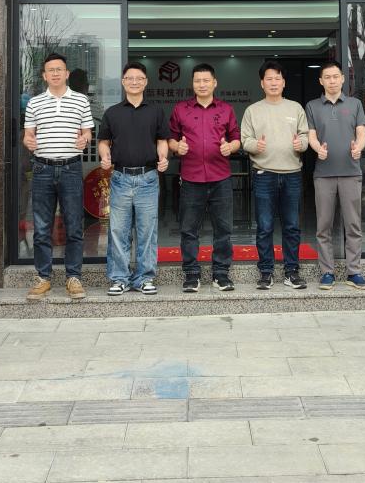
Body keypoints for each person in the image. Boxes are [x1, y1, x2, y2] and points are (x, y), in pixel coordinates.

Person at [22, 52, 94, 301]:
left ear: (67, 74)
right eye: (50, 70)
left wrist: (85, 139)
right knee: (42, 228)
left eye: (59, 69)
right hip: (42, 169)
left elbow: (87, 132)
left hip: (71, 169)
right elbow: (28, 135)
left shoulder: (81, 101)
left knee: (74, 226)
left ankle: (73, 277)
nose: (55, 73)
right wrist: (28, 141)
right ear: (44, 75)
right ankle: (43, 278)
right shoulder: (34, 103)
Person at [98, 62, 169, 297]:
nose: (134, 82)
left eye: (139, 78)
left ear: (146, 82)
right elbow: (103, 141)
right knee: (118, 231)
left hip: (148, 178)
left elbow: (162, 140)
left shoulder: (156, 111)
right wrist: (104, 156)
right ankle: (119, 278)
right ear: (123, 81)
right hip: (120, 178)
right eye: (130, 78)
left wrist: (163, 157)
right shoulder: (112, 112)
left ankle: (145, 278)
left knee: (147, 231)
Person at [169, 63, 241, 293]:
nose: (202, 84)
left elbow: (236, 138)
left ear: (214, 83)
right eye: (197, 81)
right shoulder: (181, 109)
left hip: (221, 178)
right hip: (191, 178)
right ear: (192, 84)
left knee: (224, 229)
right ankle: (191, 274)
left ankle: (221, 274)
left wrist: (230, 147)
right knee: (189, 229)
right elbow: (170, 138)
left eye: (206, 80)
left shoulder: (226, 109)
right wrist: (176, 147)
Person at [241, 61, 309, 290]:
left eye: (277, 78)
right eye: (269, 79)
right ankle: (266, 272)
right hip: (264, 174)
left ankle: (292, 272)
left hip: (292, 174)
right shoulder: (253, 110)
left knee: (292, 226)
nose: (273, 83)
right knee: (264, 226)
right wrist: (255, 145)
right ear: (262, 83)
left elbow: (305, 136)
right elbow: (244, 139)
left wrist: (302, 144)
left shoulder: (295, 108)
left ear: (284, 82)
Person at [305, 59, 365, 290]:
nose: (332, 81)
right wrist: (317, 149)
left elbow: (361, 134)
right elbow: (311, 135)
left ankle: (354, 272)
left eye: (335, 77)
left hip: (351, 173)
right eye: (327, 77)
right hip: (323, 174)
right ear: (320, 81)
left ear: (342, 79)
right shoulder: (312, 106)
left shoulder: (354, 104)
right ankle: (327, 273)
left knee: (353, 225)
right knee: (323, 226)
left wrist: (358, 148)